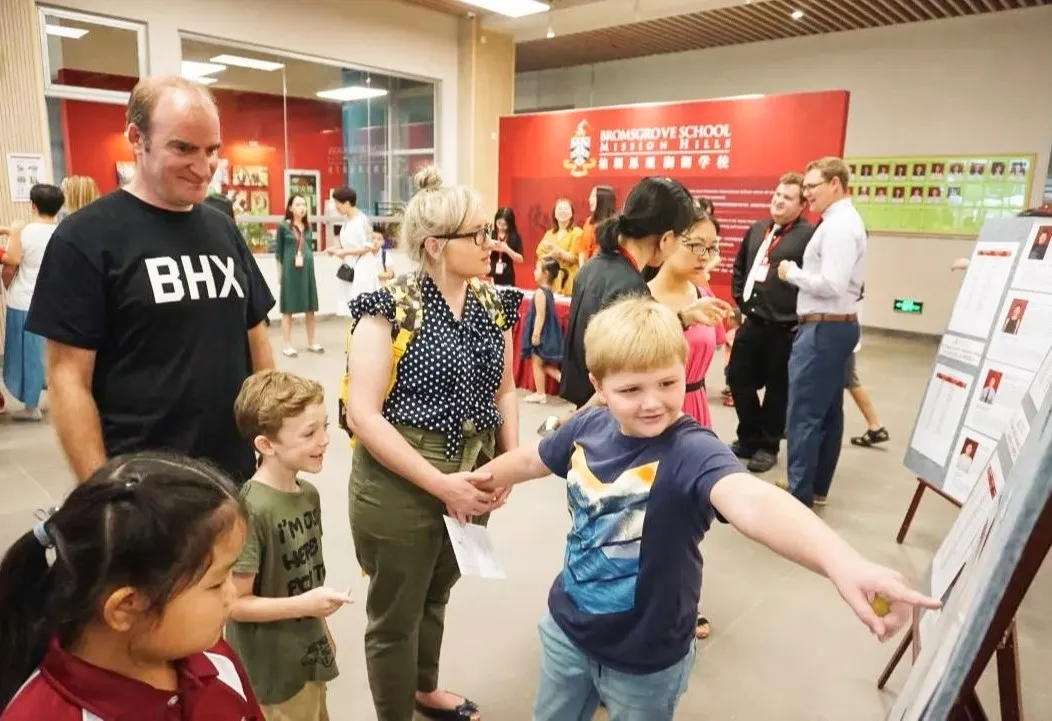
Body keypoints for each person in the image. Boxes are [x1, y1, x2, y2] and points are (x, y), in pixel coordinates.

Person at [473, 297, 941, 721]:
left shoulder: (692, 451)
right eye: (631, 390)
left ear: (685, 368)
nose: (653, 402)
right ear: (598, 385)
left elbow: (754, 502)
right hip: (566, 631)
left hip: (647, 657)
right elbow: (537, 458)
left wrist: (843, 562)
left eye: (667, 382)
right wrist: (475, 482)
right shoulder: (589, 425)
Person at [25, 75, 275, 484]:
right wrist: (102, 490)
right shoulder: (85, 238)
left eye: (212, 150)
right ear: (136, 138)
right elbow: (68, 379)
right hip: (144, 484)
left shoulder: (222, 229)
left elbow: (256, 341)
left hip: (233, 473)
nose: (203, 167)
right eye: (183, 148)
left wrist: (269, 439)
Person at [345, 166, 522, 721]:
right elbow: (364, 415)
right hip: (401, 477)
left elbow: (507, 388)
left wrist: (510, 464)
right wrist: (440, 483)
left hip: (475, 471)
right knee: (395, 613)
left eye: (489, 231)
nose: (491, 243)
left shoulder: (495, 306)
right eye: (479, 235)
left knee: (438, 589)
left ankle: (423, 688)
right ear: (434, 246)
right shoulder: (389, 307)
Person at [0, 452, 264, 720]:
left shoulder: (212, 658)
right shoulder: (40, 714)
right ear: (126, 607)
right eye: (217, 582)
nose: (232, 595)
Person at [227, 370, 351, 719]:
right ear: (266, 445)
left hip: (306, 651)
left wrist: (320, 629)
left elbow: (305, 574)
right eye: (309, 433)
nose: (324, 440)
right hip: (270, 668)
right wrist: (306, 606)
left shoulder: (307, 495)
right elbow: (235, 605)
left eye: (325, 426)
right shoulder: (251, 510)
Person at [559, 177, 732, 411]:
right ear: (667, 239)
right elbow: (631, 366)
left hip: (588, 404)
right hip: (610, 414)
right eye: (684, 240)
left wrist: (683, 317)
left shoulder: (594, 266)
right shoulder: (631, 289)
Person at [778, 156, 866, 508]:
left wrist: (791, 273)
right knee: (827, 411)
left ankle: (798, 496)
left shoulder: (839, 227)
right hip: (834, 328)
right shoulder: (840, 222)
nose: (806, 194)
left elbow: (832, 283)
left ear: (835, 184)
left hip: (823, 330)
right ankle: (815, 488)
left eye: (812, 186)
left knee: (804, 414)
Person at [729, 173, 814, 473]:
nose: (778, 200)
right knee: (737, 378)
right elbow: (740, 267)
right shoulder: (757, 229)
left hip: (785, 328)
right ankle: (748, 437)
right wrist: (740, 299)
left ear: (802, 204)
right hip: (752, 322)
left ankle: (767, 445)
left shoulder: (809, 236)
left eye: (787, 197)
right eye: (777, 194)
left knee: (778, 391)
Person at [648, 211, 725, 428]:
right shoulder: (640, 298)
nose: (705, 256)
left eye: (711, 248)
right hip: (653, 410)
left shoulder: (705, 297)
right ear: (668, 240)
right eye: (696, 245)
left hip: (696, 407)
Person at [1, 184, 64, 422]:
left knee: (25, 354)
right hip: (55, 302)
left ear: (33, 205)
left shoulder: (25, 233)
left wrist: (8, 286)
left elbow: (10, 266)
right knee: (52, 353)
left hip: (24, 301)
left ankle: (31, 406)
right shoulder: (64, 232)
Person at [275, 194, 322, 357]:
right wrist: (279, 274)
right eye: (298, 204)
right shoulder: (283, 227)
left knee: (311, 308)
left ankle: (311, 342)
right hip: (290, 272)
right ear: (290, 208)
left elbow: (307, 247)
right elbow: (278, 253)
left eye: (304, 204)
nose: (302, 207)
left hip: (307, 271)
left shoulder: (308, 227)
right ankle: (287, 345)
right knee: (288, 309)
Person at [325, 185, 378, 313]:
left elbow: (367, 246)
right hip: (352, 268)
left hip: (363, 269)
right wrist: (335, 249)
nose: (336, 207)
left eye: (338, 203)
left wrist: (345, 252)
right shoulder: (347, 220)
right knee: (353, 308)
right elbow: (349, 244)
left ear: (347, 203)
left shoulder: (362, 220)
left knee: (362, 307)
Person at [522, 258, 567, 404]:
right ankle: (563, 379)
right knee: (543, 364)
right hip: (547, 333)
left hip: (542, 334)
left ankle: (540, 393)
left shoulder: (540, 293)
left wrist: (535, 334)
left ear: (545, 273)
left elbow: (540, 316)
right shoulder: (548, 292)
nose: (534, 272)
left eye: (537, 269)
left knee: (537, 362)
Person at [537, 198, 583, 294]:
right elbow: (540, 255)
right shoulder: (549, 234)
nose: (563, 211)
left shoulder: (577, 232)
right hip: (551, 280)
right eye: (559, 209)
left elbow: (576, 257)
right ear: (554, 213)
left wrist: (558, 252)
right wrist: (551, 255)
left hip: (569, 279)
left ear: (572, 213)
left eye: (566, 209)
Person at [576, 185, 617, 264]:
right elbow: (582, 249)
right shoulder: (589, 222)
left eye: (593, 196)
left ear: (604, 200)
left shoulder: (613, 225)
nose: (589, 199)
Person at [489, 207, 524, 286]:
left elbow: (520, 259)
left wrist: (507, 249)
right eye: (499, 223)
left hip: (507, 277)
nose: (501, 227)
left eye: (505, 225)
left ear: (510, 224)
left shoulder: (515, 236)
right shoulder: (491, 234)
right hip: (490, 275)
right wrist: (491, 246)